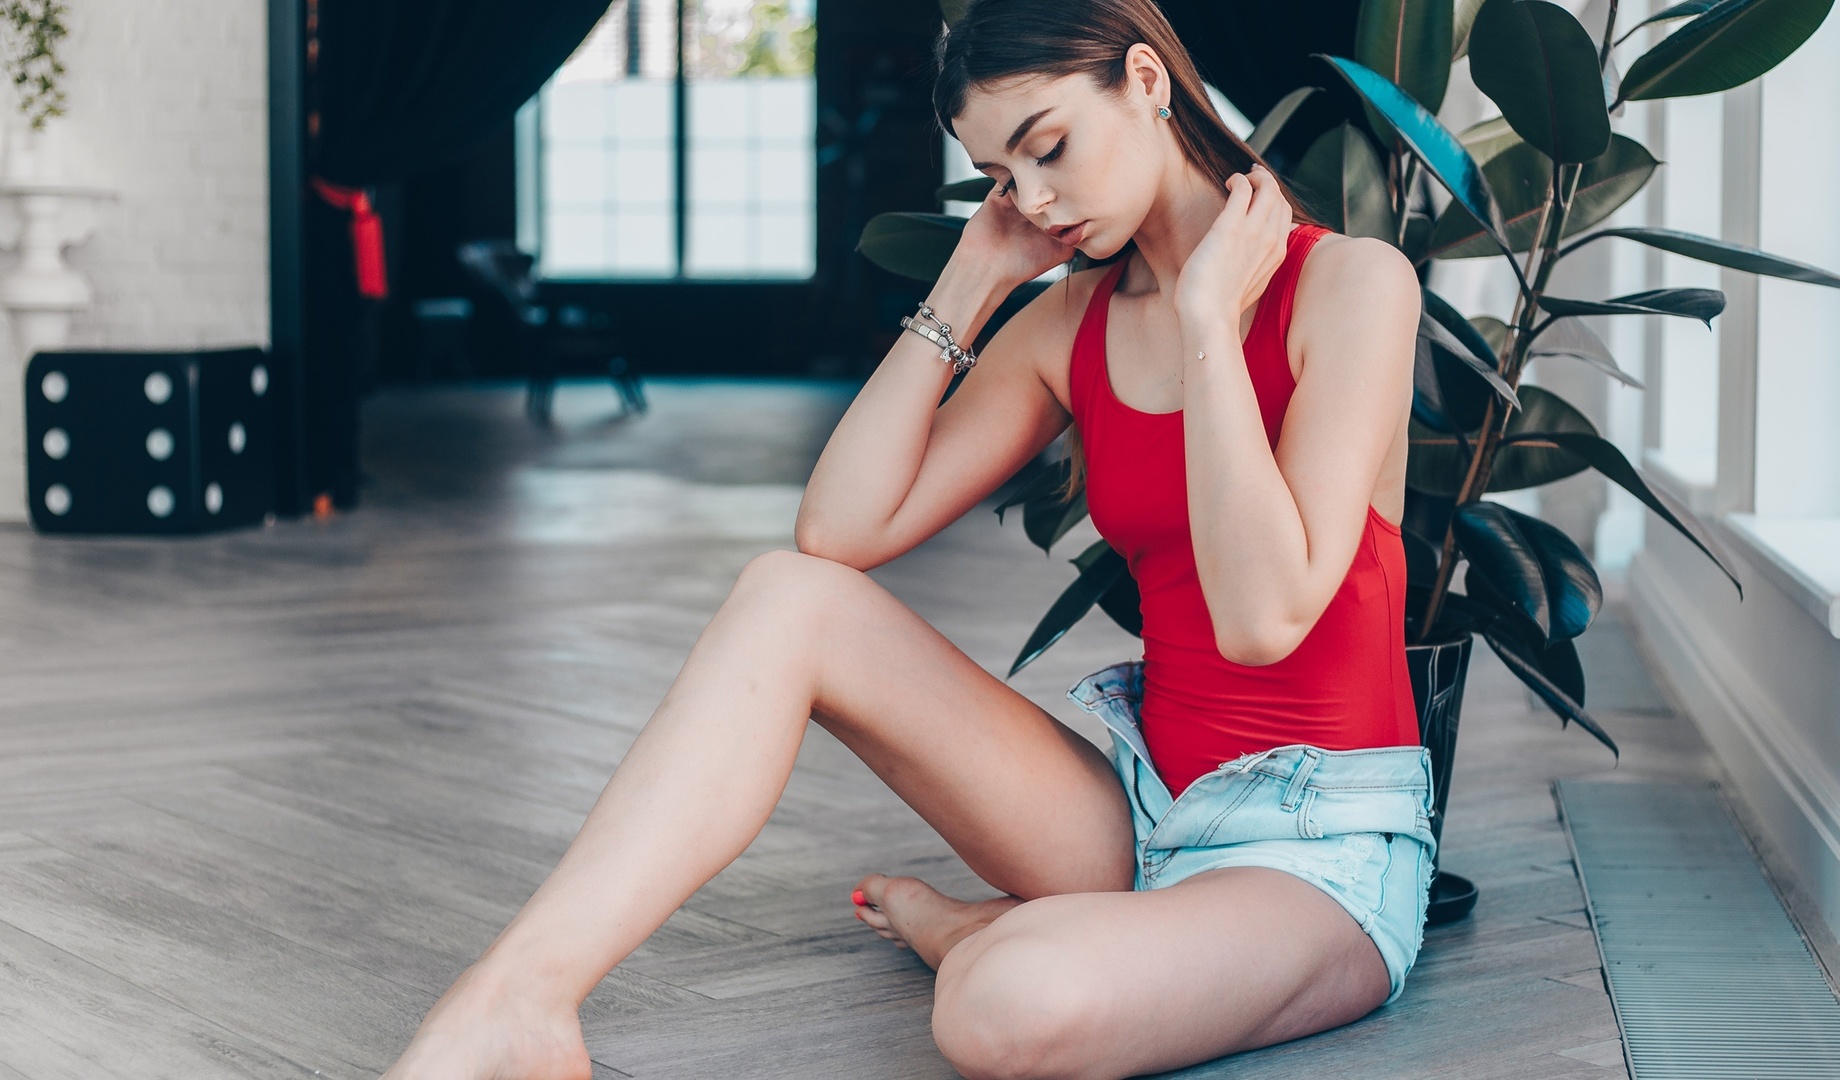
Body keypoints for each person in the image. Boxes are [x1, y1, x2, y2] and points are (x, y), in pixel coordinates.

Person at [382, 0, 1427, 1076]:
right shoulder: (1071, 326)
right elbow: (837, 532)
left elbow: (1264, 620)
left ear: (1149, 82)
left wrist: (1209, 320)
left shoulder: (1351, 285)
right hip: (1141, 810)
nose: (1036, 198)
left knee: (1001, 1011)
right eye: (1002, 176)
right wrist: (972, 280)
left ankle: (970, 936)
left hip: (1321, 852)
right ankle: (520, 998)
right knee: (787, 598)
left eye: (1050, 147)